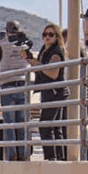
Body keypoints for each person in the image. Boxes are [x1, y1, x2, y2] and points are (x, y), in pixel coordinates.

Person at [0, 20, 33, 161]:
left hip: (7, 84)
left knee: (9, 123)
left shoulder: (3, 44)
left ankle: (12, 154)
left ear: (6, 30)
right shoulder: (24, 43)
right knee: (22, 123)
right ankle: (23, 153)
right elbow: (30, 58)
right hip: (23, 83)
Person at [28, 23, 69, 161]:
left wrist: (36, 64)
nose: (47, 37)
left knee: (45, 125)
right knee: (54, 127)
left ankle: (51, 157)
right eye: (45, 34)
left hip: (56, 92)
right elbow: (43, 70)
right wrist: (31, 60)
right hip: (49, 91)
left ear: (57, 37)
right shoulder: (45, 50)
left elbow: (52, 73)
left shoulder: (56, 52)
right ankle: (59, 157)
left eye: (51, 34)